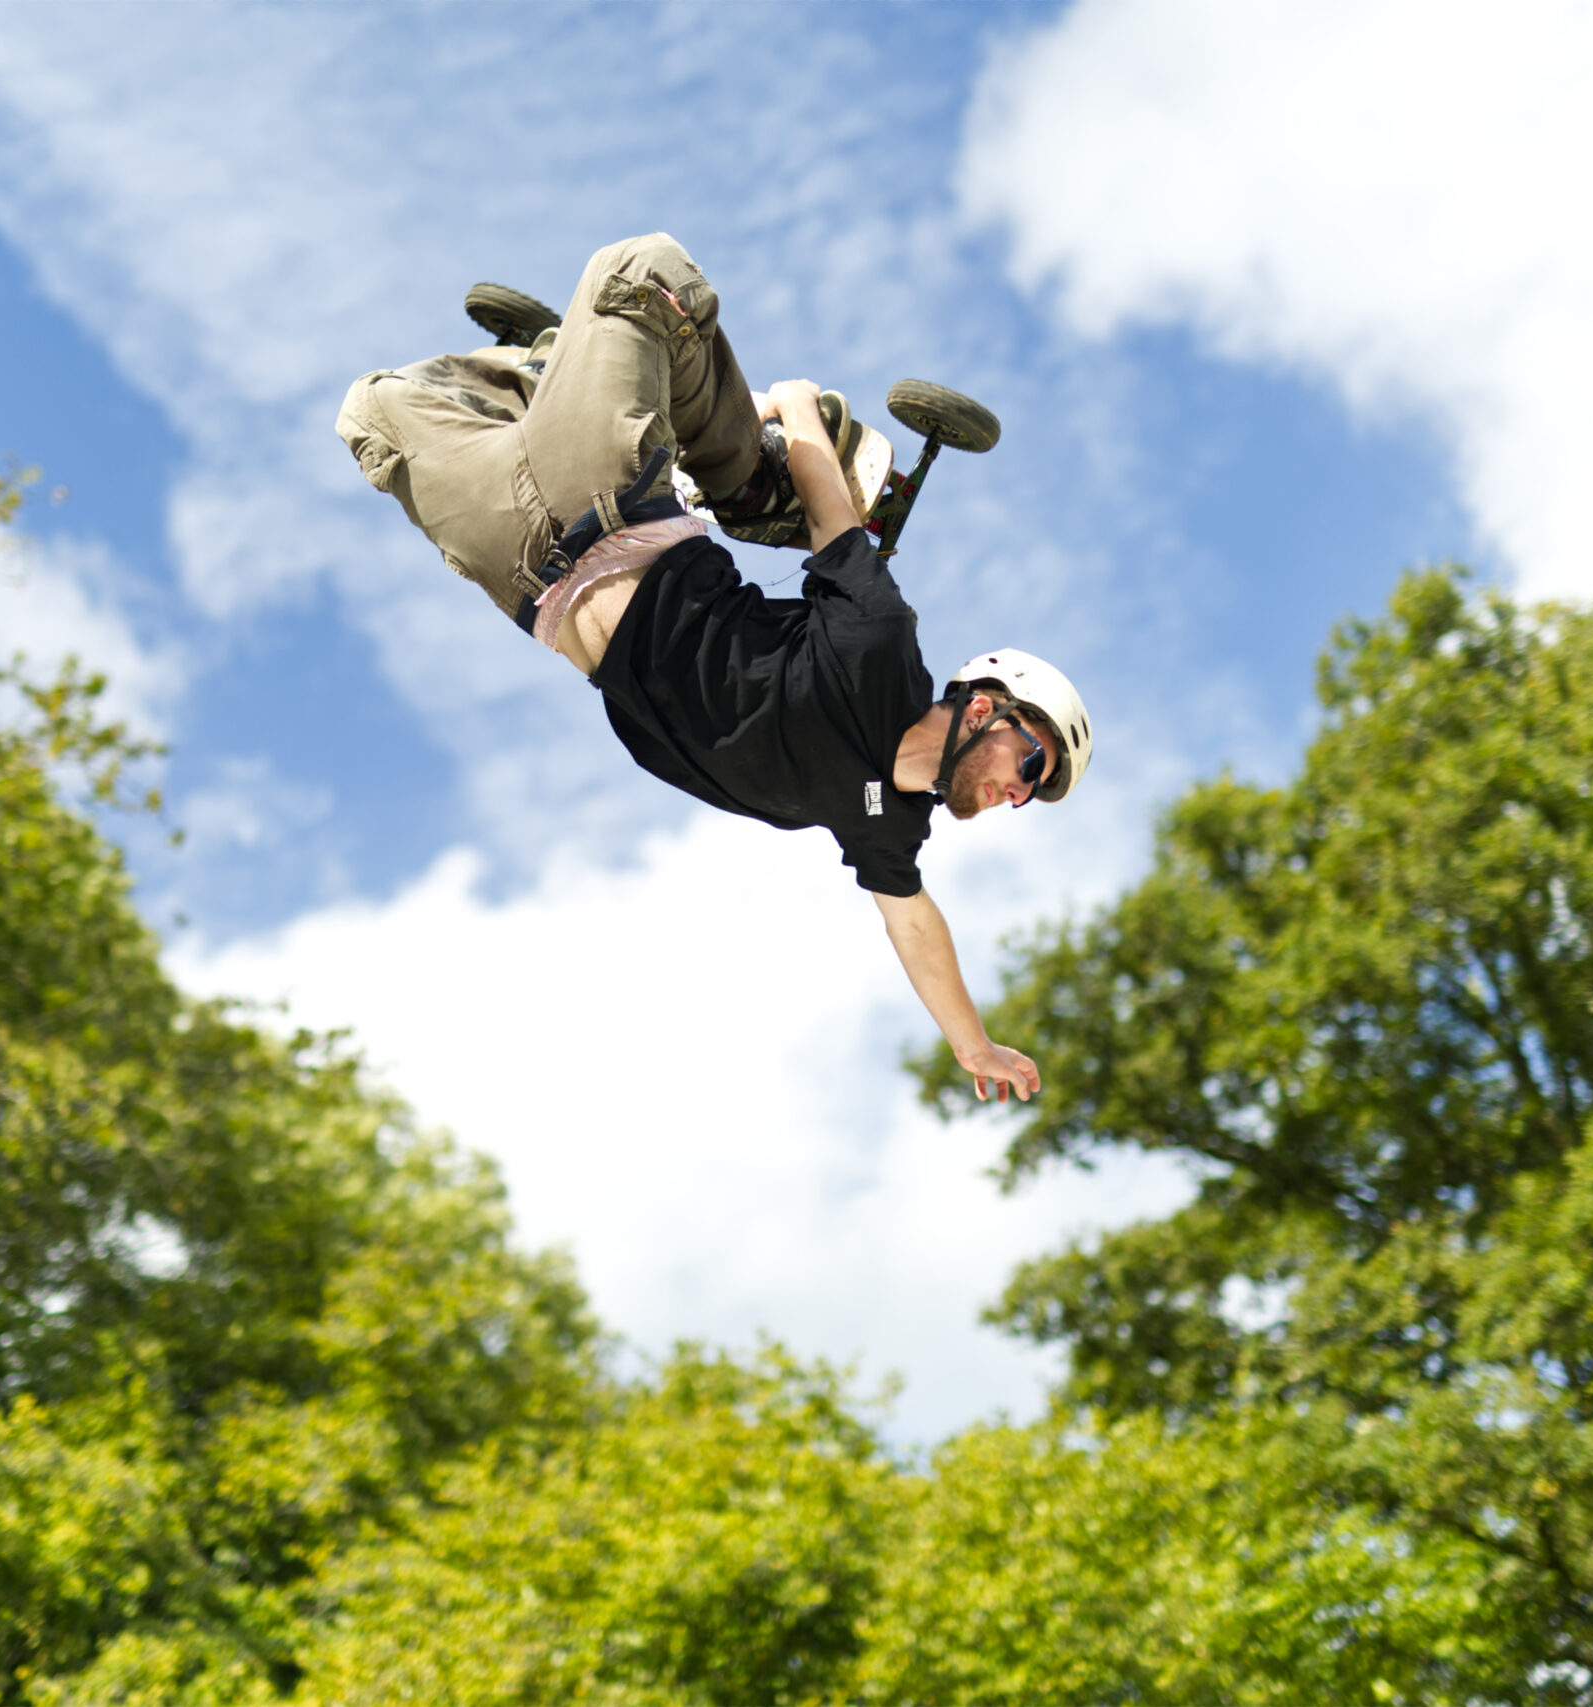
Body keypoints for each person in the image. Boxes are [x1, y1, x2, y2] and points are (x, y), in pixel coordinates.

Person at [336, 234, 1094, 1103]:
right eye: (1031, 763)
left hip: (519, 566)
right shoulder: (880, 645)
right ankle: (736, 473)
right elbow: (834, 522)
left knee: (371, 414)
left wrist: (975, 1042)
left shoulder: (885, 824)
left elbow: (914, 922)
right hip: (611, 497)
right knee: (644, 274)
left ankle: (548, 364)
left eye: (1034, 792)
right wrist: (799, 411)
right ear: (986, 707)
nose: (1019, 792)